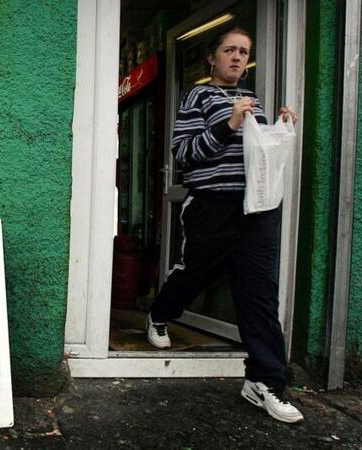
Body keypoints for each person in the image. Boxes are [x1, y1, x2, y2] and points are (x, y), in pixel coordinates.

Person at [145, 27, 303, 423]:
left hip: (256, 209)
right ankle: (160, 313)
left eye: (244, 52)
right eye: (229, 50)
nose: (237, 57)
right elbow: (184, 153)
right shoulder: (197, 96)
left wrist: (279, 129)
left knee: (260, 293)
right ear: (212, 59)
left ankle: (265, 382)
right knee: (196, 273)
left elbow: (262, 159)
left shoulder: (256, 104)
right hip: (212, 206)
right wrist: (228, 124)